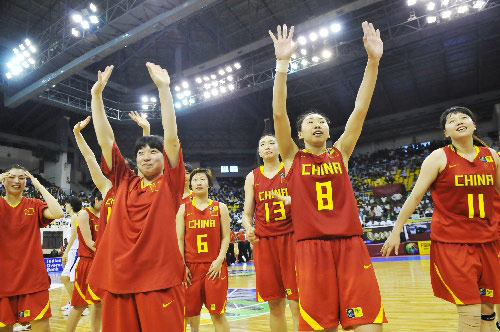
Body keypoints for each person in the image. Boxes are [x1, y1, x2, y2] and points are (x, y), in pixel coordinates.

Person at [270, 22, 386, 331]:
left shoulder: (341, 153)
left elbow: (360, 109)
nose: (317, 124)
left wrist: (372, 62)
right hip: (311, 248)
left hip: (350, 244)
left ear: (329, 130)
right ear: (300, 133)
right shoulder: (292, 157)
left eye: (322, 121)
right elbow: (279, 114)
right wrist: (282, 65)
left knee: (370, 325)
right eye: (310, 122)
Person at [382, 107, 500, 331]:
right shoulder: (438, 157)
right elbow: (415, 196)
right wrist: (397, 229)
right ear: (446, 132)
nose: (458, 121)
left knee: (488, 312)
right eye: (451, 120)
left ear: (474, 125)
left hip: (488, 240)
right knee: (471, 314)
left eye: (464, 117)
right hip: (453, 243)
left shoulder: (491, 156)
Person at [87, 63, 186, 332]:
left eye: (154, 151)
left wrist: (164, 89)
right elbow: (106, 140)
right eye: (141, 152)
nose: (146, 155)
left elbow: (172, 140)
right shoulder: (123, 181)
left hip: (159, 280)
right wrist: (97, 97)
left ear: (163, 158)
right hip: (119, 280)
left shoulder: (170, 184)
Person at [242, 134, 299, 331]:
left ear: (279, 147)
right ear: (259, 151)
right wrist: (248, 228)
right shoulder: (252, 176)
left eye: (272, 143)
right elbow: (247, 214)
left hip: (291, 238)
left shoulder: (291, 168)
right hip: (264, 242)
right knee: (274, 304)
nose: (267, 147)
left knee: (297, 302)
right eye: (262, 144)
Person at [0, 165, 64, 332]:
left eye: (22, 178)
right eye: (12, 177)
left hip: (33, 281)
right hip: (3, 282)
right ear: (4, 180)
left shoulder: (34, 205)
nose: (17, 181)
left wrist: (38, 185)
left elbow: (58, 213)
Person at [176, 168, 231, 332]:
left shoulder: (220, 208)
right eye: (195, 180)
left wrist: (220, 259)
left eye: (202, 179)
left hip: (214, 267)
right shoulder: (183, 209)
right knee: (187, 314)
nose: (198, 182)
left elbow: (226, 237)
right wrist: (182, 265)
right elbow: (179, 239)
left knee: (218, 314)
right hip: (191, 268)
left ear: (209, 184)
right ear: (190, 184)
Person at [65, 190, 103, 332]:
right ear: (96, 199)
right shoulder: (84, 214)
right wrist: (106, 254)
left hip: (100, 262)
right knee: (79, 304)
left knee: (99, 303)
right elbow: (88, 241)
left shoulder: (105, 214)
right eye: (103, 201)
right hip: (87, 262)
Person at [60, 197, 83, 316]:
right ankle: (73, 302)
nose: (65, 206)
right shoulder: (73, 217)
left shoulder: (75, 217)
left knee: (65, 278)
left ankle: (77, 304)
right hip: (73, 250)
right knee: (69, 279)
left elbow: (74, 236)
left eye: (67, 204)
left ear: (71, 206)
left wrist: (67, 251)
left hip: (75, 251)